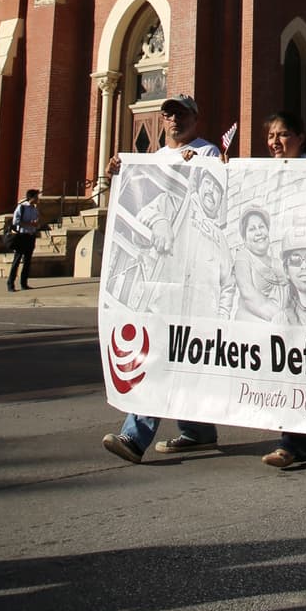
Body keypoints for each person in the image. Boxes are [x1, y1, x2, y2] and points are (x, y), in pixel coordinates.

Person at [102, 95, 222, 465]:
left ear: (195, 118)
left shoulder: (206, 153)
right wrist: (118, 173)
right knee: (169, 353)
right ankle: (197, 430)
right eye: (168, 114)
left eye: (181, 113)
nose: (173, 120)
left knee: (171, 353)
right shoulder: (152, 160)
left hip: (193, 279)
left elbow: (216, 197)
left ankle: (135, 436)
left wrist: (201, 168)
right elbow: (149, 203)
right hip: (160, 278)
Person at [259, 110, 306, 469]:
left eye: (283, 134)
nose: (275, 142)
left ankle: (294, 441)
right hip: (285, 285)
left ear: (301, 138)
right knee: (290, 361)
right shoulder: (264, 174)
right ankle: (303, 440)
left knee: (302, 360)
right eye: (271, 135)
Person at [7, 189, 40, 292]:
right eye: (36, 197)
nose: (38, 199)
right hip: (21, 236)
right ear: (31, 197)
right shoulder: (22, 207)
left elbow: (36, 221)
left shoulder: (35, 209)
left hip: (31, 236)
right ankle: (10, 284)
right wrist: (29, 224)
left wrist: (36, 225)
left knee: (27, 262)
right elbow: (15, 221)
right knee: (17, 260)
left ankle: (24, 283)